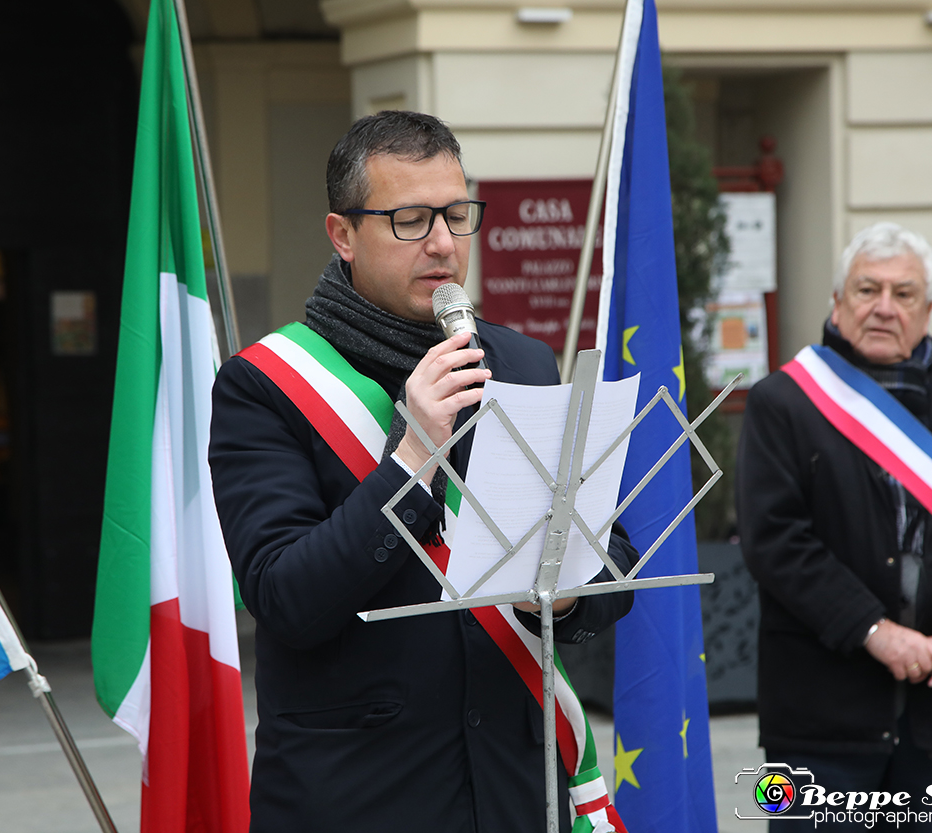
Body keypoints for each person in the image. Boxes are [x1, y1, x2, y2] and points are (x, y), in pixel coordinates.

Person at [208, 110, 635, 832]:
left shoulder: (522, 361)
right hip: (360, 795)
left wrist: (559, 596)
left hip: (514, 789)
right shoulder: (266, 385)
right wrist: (412, 456)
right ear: (342, 235)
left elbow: (610, 553)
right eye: (409, 219)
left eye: (456, 214)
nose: (442, 243)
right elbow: (284, 597)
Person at [737, 223, 932, 830]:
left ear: (928, 309)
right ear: (837, 302)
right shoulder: (785, 400)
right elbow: (775, 540)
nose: (883, 308)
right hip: (816, 718)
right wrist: (873, 630)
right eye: (866, 290)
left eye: (903, 294)